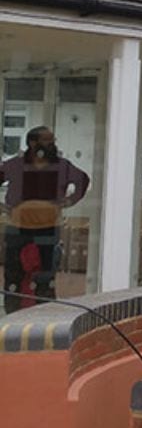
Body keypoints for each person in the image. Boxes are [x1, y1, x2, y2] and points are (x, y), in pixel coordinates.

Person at [1, 126, 91, 313]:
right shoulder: (16, 165)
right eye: (47, 141)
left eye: (53, 141)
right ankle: (12, 318)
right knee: (13, 276)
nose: (52, 144)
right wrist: (2, 207)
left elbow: (82, 180)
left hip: (48, 228)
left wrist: (69, 201)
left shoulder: (61, 166)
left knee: (46, 278)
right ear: (32, 143)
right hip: (17, 228)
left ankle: (45, 317)